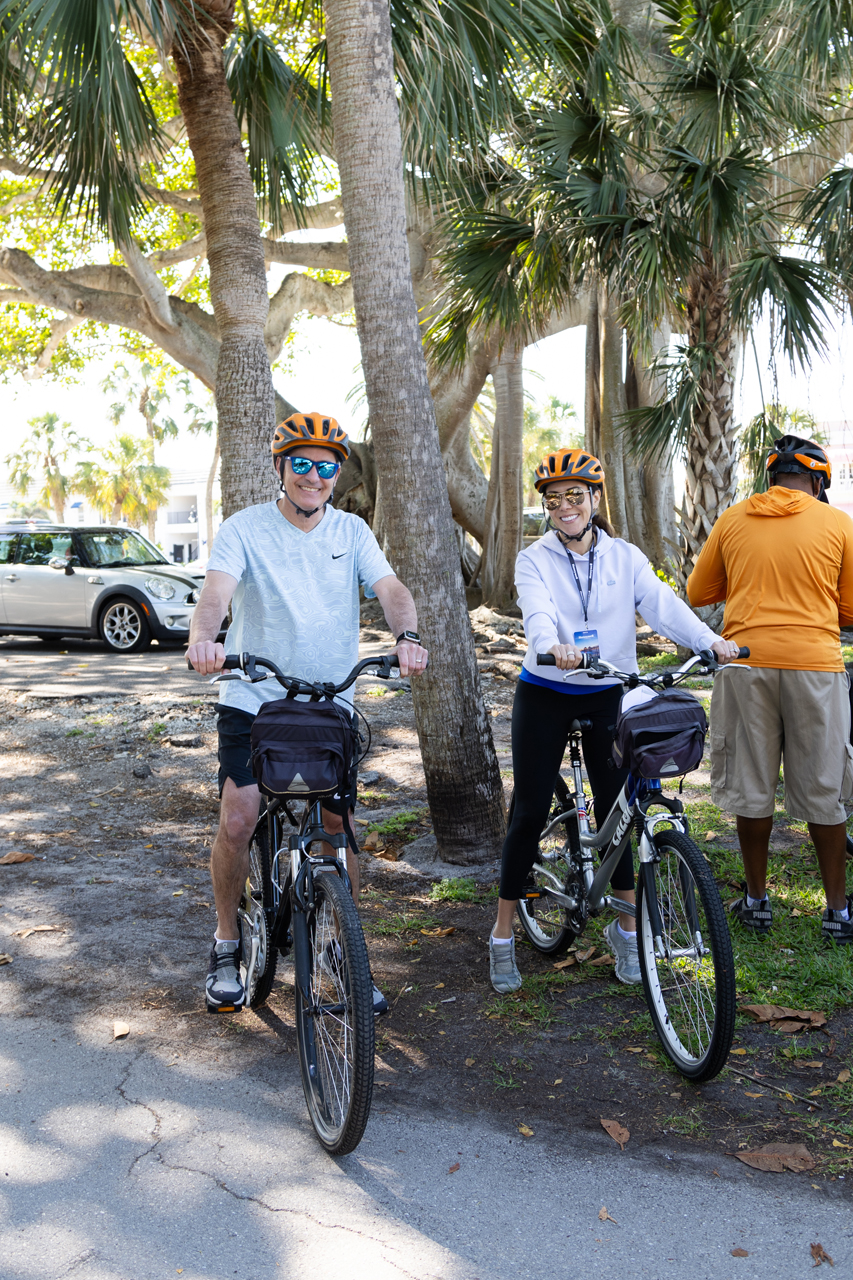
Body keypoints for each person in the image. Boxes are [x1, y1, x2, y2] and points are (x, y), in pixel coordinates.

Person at [187, 411, 429, 1013]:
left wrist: (407, 637)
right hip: (254, 699)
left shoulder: (351, 532)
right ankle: (225, 941)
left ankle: (340, 948)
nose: (313, 476)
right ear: (280, 467)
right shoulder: (244, 528)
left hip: (329, 704)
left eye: (325, 466)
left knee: (338, 832)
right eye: (301, 463)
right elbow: (216, 592)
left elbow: (392, 590)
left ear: (336, 475)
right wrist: (205, 639)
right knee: (239, 818)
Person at [489, 447, 737, 994]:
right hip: (548, 688)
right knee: (528, 810)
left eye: (575, 496)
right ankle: (503, 935)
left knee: (619, 809)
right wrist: (548, 646)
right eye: (554, 500)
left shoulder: (625, 556)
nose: (564, 507)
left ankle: (629, 931)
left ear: (595, 499)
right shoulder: (534, 559)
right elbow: (536, 610)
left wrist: (709, 641)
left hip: (610, 693)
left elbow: (663, 604)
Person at [688, 434, 853, 943]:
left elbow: (698, 592)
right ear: (819, 480)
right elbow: (850, 612)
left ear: (771, 478)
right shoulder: (838, 524)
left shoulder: (734, 518)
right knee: (826, 789)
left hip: (743, 665)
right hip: (816, 668)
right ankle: (838, 911)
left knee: (752, 786)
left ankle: (757, 901)